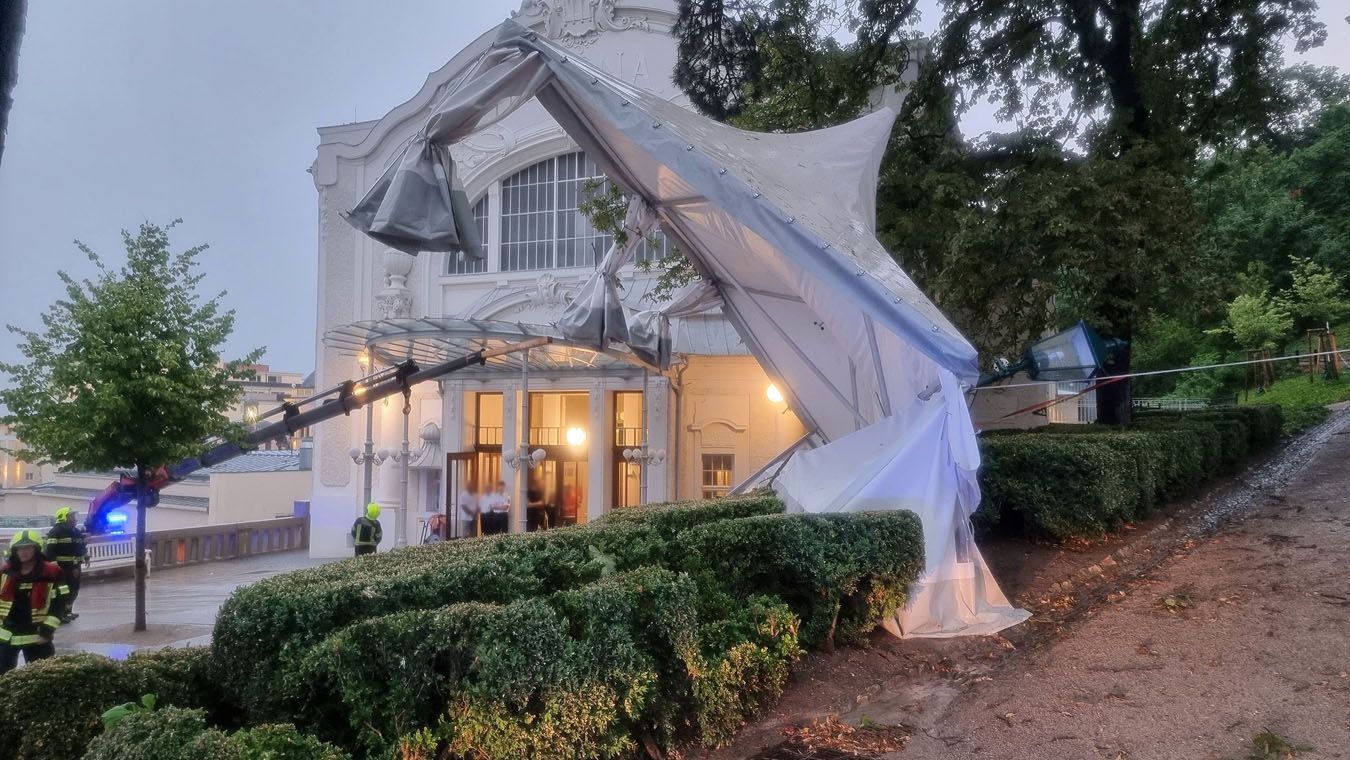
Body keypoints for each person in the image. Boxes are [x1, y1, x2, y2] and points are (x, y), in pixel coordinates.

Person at [0, 530, 70, 674]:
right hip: (6, 634)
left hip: (36, 635)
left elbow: (59, 604)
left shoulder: (52, 572)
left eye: (28, 547)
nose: (23, 551)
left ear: (36, 549)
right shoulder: (5, 572)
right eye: (20, 548)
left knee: (42, 677)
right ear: (15, 551)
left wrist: (46, 631)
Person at [45, 506, 88, 623]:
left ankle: (68, 611)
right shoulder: (56, 532)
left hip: (75, 567)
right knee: (63, 591)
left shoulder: (75, 531)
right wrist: (54, 566)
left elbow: (81, 545)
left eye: (74, 516)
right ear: (63, 517)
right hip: (62, 568)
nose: (74, 519)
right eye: (71, 516)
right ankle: (60, 614)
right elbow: (50, 550)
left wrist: (85, 556)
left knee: (74, 589)